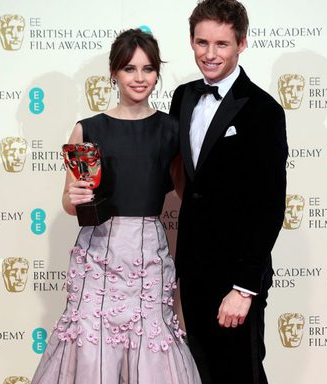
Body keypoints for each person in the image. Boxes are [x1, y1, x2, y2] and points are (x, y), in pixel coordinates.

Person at [31, 28, 201, 384]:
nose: (139, 78)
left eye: (148, 69)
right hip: (98, 252)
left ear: (157, 73)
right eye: (129, 69)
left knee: (150, 337)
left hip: (147, 254)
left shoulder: (172, 130)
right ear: (113, 73)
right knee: (91, 338)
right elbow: (69, 201)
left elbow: (190, 195)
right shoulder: (88, 129)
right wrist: (73, 198)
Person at [169, 0, 288, 384]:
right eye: (202, 43)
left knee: (241, 373)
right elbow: (178, 173)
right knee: (200, 370)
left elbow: (269, 204)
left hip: (237, 272)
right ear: (191, 42)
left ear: (242, 43)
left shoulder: (263, 110)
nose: (210, 54)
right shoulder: (183, 97)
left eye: (221, 43)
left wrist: (244, 286)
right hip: (193, 264)